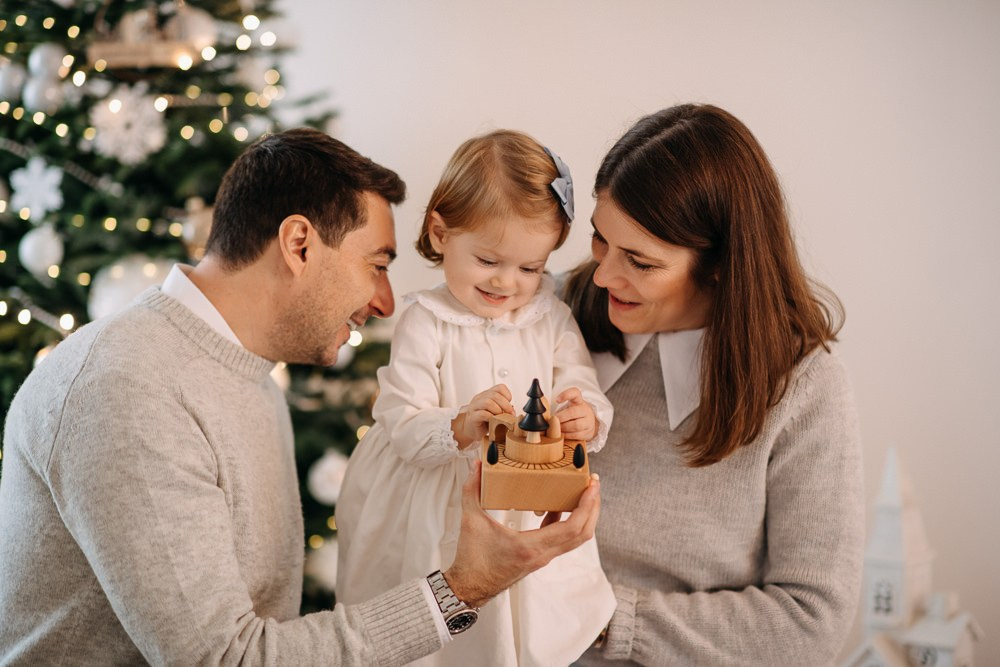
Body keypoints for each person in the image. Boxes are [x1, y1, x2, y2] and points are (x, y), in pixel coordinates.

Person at [0, 128, 602, 666]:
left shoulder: (248, 375)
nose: (389, 303)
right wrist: (462, 589)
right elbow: (225, 660)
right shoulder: (128, 390)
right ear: (299, 244)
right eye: (377, 264)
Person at [563, 104, 864, 665]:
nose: (603, 275)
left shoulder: (804, 387)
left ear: (723, 263)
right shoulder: (553, 314)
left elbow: (811, 620)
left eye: (641, 262)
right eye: (601, 240)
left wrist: (601, 617)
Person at [336, 130, 616, 666]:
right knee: (440, 634)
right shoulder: (425, 320)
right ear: (441, 232)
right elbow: (401, 418)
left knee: (521, 623)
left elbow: (585, 390)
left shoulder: (550, 318)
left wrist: (585, 416)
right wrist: (461, 424)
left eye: (531, 268)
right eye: (489, 260)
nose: (508, 282)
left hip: (523, 491)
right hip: (434, 498)